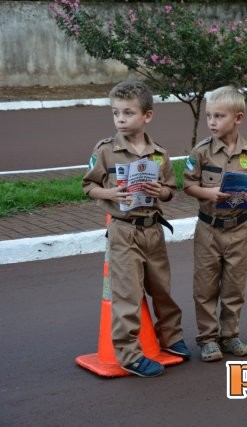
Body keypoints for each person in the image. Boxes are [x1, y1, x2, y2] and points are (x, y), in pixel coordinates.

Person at [82, 80, 190, 377]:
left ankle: (170, 336)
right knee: (127, 294)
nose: (120, 119)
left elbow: (171, 190)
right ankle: (129, 354)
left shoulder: (159, 154)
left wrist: (160, 191)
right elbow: (88, 186)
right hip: (123, 231)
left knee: (162, 289)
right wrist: (110, 194)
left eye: (128, 113)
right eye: (115, 113)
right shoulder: (105, 150)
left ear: (147, 116)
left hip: (153, 231)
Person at [183, 86, 247, 362]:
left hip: (238, 228)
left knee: (234, 285)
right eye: (209, 116)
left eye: (219, 116)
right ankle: (208, 339)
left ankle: (230, 335)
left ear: (238, 118)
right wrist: (209, 193)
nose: (212, 122)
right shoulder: (201, 152)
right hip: (208, 228)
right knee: (206, 286)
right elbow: (187, 184)